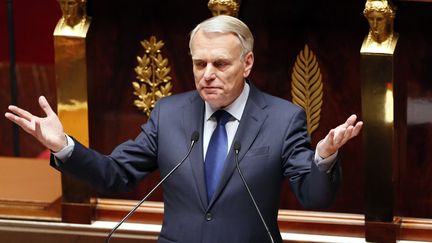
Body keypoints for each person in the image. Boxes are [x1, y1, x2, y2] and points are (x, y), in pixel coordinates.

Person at [5, 15, 362, 243]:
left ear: (247, 63)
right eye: (199, 63)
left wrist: (324, 158)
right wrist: (64, 146)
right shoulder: (169, 113)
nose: (208, 74)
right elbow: (116, 175)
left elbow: (314, 196)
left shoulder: (282, 118)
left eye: (220, 64)